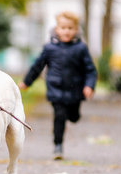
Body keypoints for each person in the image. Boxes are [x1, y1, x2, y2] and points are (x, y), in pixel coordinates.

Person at [18, 11, 98, 160]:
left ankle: (73, 115)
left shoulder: (81, 48)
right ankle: (58, 146)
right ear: (56, 29)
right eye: (63, 27)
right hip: (56, 89)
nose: (66, 31)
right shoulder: (49, 48)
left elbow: (90, 70)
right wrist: (26, 82)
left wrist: (89, 86)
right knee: (59, 116)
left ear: (76, 30)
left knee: (73, 117)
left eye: (70, 28)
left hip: (75, 90)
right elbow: (38, 66)